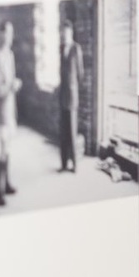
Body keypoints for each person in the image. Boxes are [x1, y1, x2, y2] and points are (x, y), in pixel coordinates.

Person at [0, 19, 21, 208]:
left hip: (11, 107)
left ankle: (7, 184)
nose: (10, 36)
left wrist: (14, 85)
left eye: (11, 32)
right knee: (3, 149)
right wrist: (11, 86)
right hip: (3, 108)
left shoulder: (10, 55)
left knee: (8, 147)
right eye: (7, 33)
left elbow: (10, 83)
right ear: (2, 34)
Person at [58, 19, 82, 173]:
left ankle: (74, 164)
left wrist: (73, 87)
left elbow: (80, 73)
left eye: (67, 33)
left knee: (72, 132)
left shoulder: (76, 49)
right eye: (63, 33)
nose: (64, 35)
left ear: (71, 33)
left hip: (72, 97)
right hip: (62, 96)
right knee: (63, 132)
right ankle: (63, 164)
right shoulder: (61, 48)